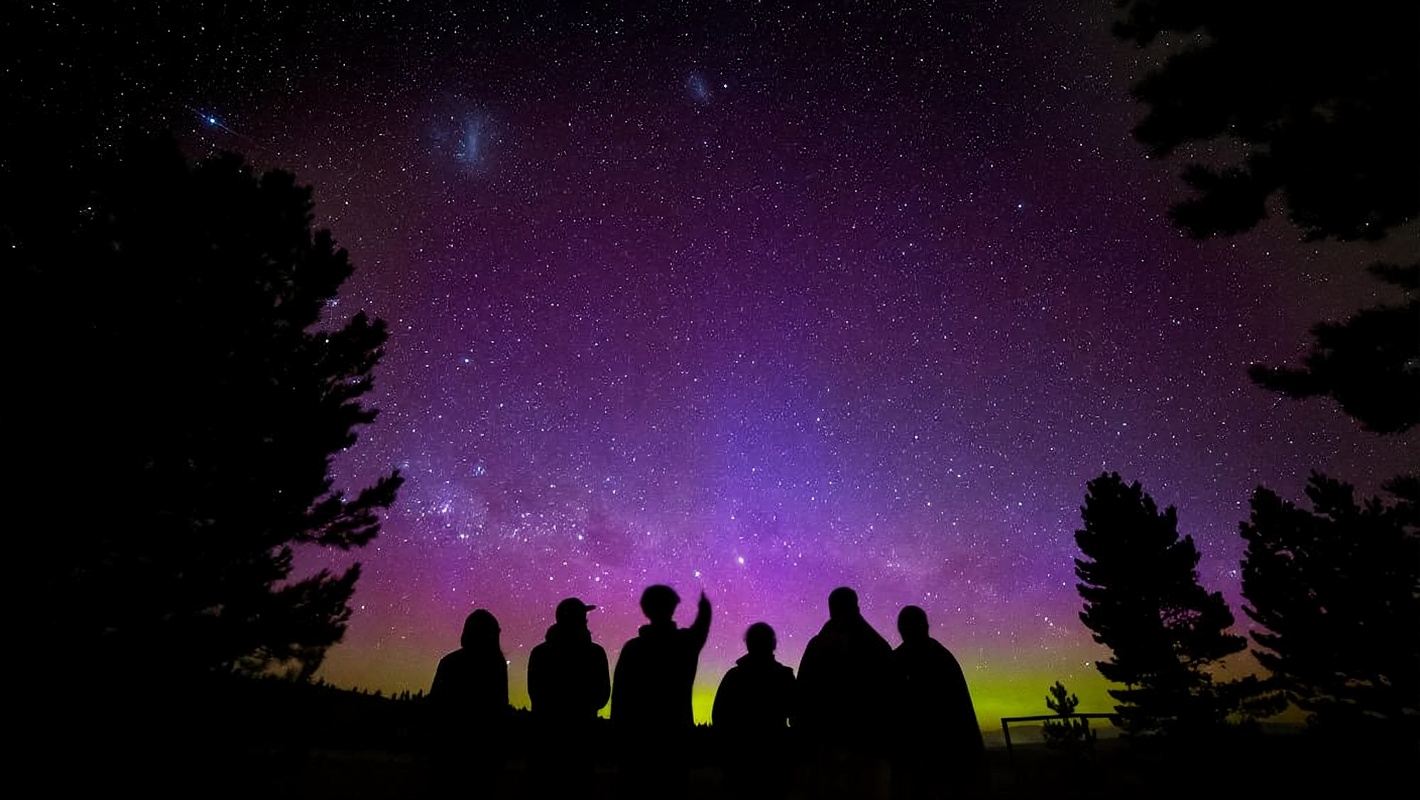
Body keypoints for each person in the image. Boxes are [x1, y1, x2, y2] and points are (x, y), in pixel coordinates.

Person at [611, 584, 712, 797]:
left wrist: (619, 739)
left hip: (638, 742)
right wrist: (705, 607)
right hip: (675, 741)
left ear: (645, 608)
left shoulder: (633, 649)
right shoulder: (684, 644)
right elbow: (701, 629)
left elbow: (620, 697)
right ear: (673, 606)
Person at [796, 587, 894, 799]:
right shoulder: (878, 646)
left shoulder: (817, 646)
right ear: (856, 607)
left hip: (829, 743)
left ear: (831, 609)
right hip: (869, 743)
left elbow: (803, 692)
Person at [891, 605, 986, 800]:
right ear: (925, 625)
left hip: (919, 757)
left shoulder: (897, 660)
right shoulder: (943, 657)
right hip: (947, 755)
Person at [528, 597, 611, 793]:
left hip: (547, 742)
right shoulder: (595, 653)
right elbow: (602, 695)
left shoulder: (540, 653)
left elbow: (536, 695)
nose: (585, 621)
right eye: (582, 617)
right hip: (581, 742)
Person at [428, 608, 509, 791]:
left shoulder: (449, 662)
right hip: (480, 750)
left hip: (449, 748)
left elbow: (436, 706)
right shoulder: (495, 664)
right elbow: (499, 709)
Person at [713, 622, 796, 799]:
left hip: (740, 761)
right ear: (773, 644)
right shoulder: (784, 676)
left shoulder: (733, 677)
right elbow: (798, 714)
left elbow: (719, 718)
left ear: (748, 644)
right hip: (775, 761)